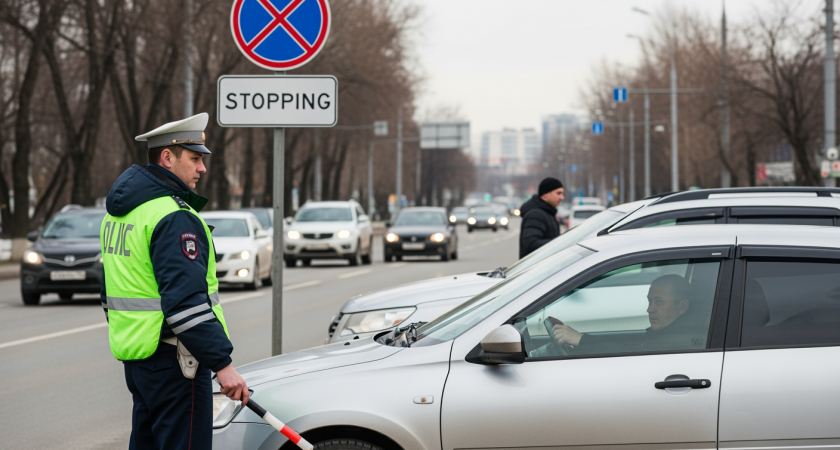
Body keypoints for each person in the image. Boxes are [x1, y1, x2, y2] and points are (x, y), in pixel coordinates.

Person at [100, 113, 248, 449]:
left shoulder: (120, 212)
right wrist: (222, 364)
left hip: (139, 359)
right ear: (168, 157)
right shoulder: (173, 215)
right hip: (176, 363)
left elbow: (110, 289)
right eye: (195, 159)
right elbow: (186, 304)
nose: (202, 169)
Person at [550, 274, 706, 353]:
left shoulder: (681, 340)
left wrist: (581, 339)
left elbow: (633, 356)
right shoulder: (671, 332)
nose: (650, 309)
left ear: (683, 306)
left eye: (659, 302)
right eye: (649, 301)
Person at [519, 177, 564, 258]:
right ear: (545, 195)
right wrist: (560, 243)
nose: (562, 197)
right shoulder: (536, 214)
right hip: (537, 268)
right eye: (558, 193)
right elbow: (530, 244)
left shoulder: (547, 212)